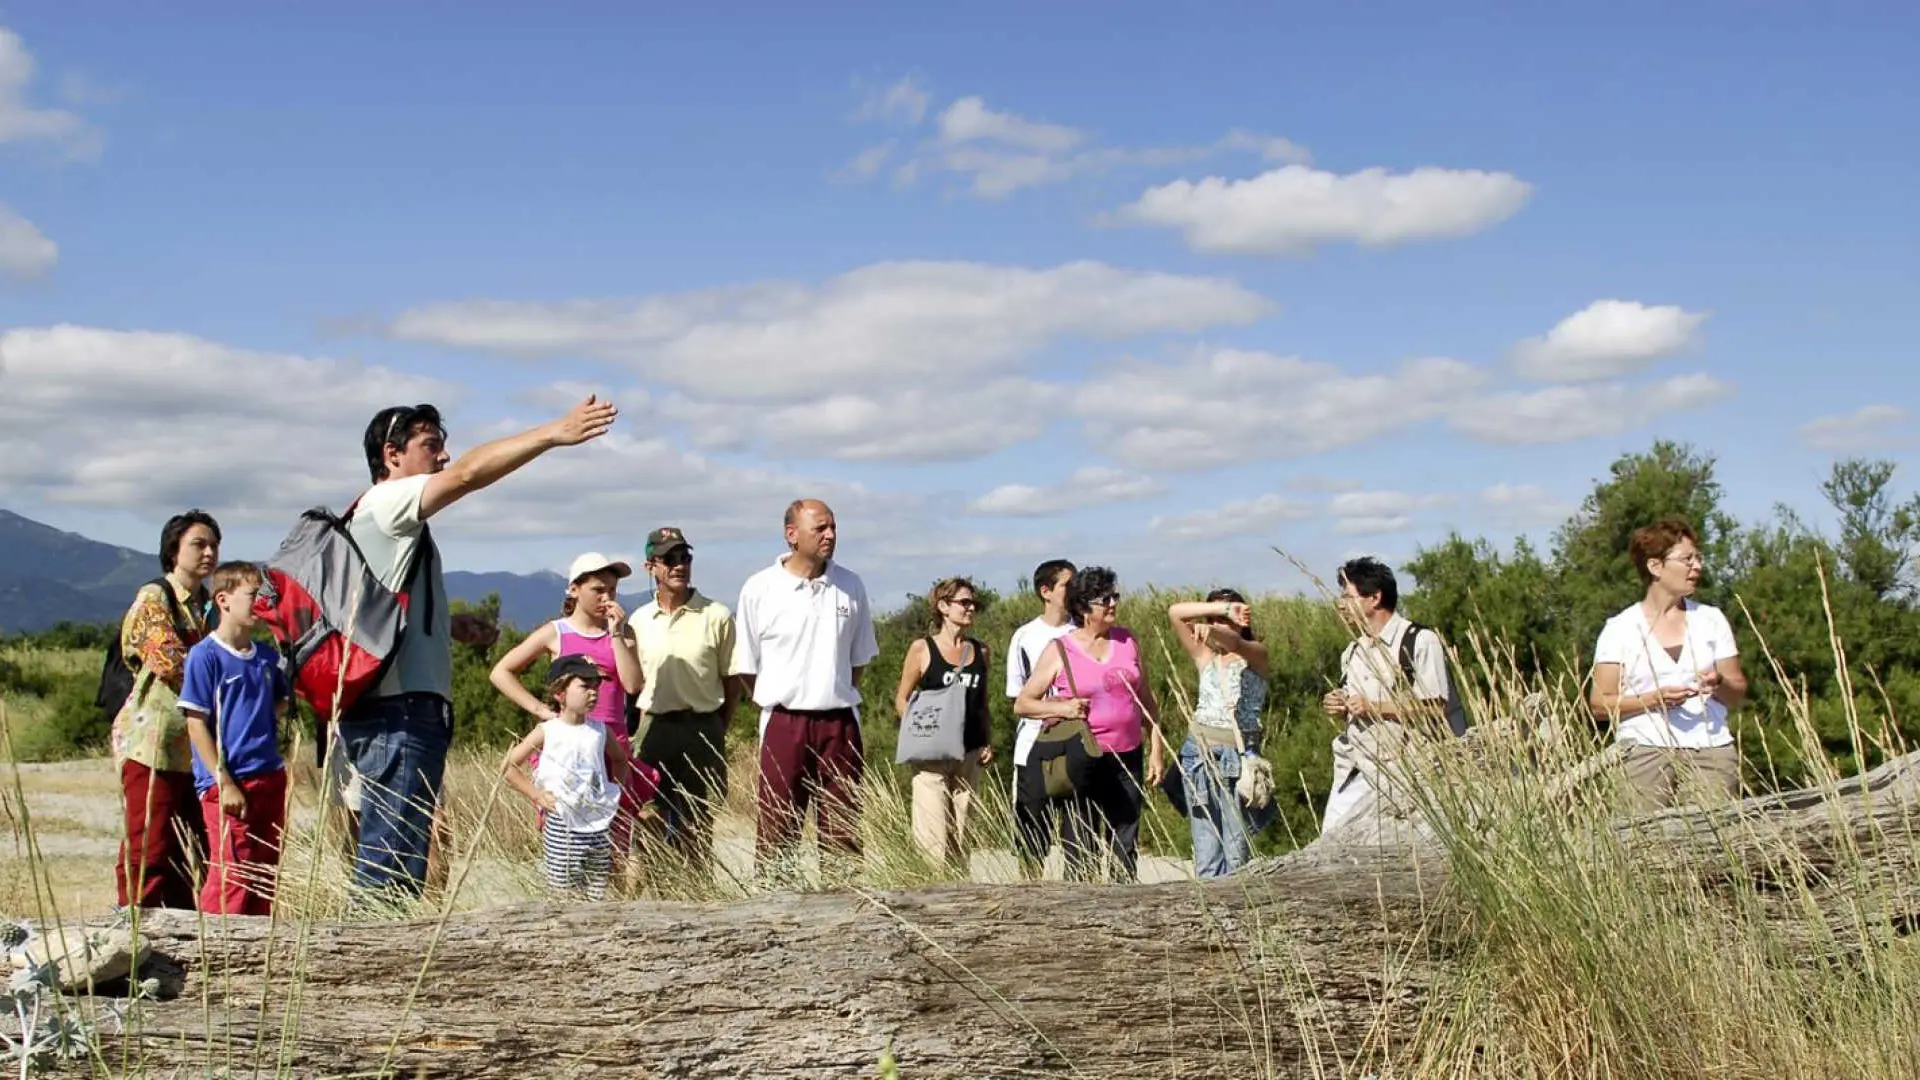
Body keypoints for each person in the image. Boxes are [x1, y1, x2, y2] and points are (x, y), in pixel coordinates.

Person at [341, 395, 617, 901]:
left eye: (443, 446)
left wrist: (446, 626)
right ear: (392, 455)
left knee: (403, 868)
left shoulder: (395, 525)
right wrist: (553, 433)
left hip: (404, 713)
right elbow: (468, 475)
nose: (444, 456)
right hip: (396, 715)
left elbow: (383, 614)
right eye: (431, 445)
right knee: (387, 870)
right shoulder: (386, 503)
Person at [733, 499, 878, 864]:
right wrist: (779, 698)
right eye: (820, 528)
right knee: (778, 825)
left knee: (843, 829)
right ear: (792, 535)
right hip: (784, 720)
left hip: (839, 720)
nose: (830, 535)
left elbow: (858, 660)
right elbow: (746, 665)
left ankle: (844, 896)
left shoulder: (850, 585)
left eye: (833, 527)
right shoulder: (760, 588)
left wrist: (830, 688)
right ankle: (776, 896)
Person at [489, 552, 656, 857]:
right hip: (567, 746)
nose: (607, 597)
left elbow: (633, 685)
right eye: (598, 590)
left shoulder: (622, 632)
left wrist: (617, 634)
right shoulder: (556, 632)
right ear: (575, 590)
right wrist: (540, 710)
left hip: (612, 741)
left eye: (612, 590)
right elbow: (501, 672)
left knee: (618, 842)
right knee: (567, 837)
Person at [1015, 566, 1165, 883]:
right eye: (1104, 599)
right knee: (1081, 840)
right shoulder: (1060, 649)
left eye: (1115, 597)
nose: (1113, 604)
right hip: (1082, 757)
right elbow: (1023, 703)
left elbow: (1147, 702)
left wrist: (1156, 751)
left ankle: (1125, 900)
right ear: (1083, 607)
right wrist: (1064, 708)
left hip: (1128, 754)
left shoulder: (1127, 641)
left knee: (1125, 837)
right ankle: (1080, 904)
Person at [1589, 517, 1749, 811]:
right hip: (1643, 751)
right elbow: (1600, 705)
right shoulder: (1620, 628)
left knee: (1712, 836)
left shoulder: (1711, 619)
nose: (1696, 566)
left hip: (1711, 750)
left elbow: (1737, 693)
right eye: (1687, 559)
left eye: (1698, 558)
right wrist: (1654, 700)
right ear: (1655, 566)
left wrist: (1718, 683)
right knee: (1640, 837)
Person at [111, 510, 220, 910]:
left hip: (195, 749)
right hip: (153, 744)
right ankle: (133, 931)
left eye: (214, 545)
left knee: (191, 853)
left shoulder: (209, 606)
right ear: (173, 551)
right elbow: (171, 661)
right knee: (149, 846)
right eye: (198, 544)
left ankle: (181, 937)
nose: (209, 553)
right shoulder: (154, 598)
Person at [1319, 557, 1465, 839]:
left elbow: (1436, 706)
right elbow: (1353, 705)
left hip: (1408, 772)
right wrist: (1338, 704)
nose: (1341, 605)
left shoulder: (1420, 640)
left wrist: (1373, 707)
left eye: (1348, 597)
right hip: (1355, 770)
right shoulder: (1353, 651)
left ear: (1374, 598)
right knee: (1330, 845)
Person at [179, 562, 290, 916]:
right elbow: (196, 723)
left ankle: (257, 943)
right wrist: (222, 780)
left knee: (264, 873)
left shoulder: (267, 658)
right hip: (228, 782)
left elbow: (281, 702)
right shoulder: (205, 656)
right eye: (253, 594)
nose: (261, 603)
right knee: (234, 873)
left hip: (268, 777)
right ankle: (215, 942)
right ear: (223, 600)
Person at [632, 527, 738, 870]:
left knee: (698, 820)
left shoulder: (717, 615)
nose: (679, 565)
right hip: (654, 727)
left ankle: (697, 889)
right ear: (651, 567)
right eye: (669, 559)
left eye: (684, 558)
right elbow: (633, 682)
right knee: (647, 817)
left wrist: (717, 727)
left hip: (702, 727)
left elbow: (731, 680)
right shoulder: (639, 620)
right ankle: (654, 890)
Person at [502, 655, 633, 901]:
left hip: (598, 823)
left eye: (596, 687)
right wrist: (536, 795)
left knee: (596, 893)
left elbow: (620, 760)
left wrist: (614, 791)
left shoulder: (600, 730)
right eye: (585, 686)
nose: (593, 693)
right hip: (563, 823)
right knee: (563, 895)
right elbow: (509, 767)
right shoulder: (548, 730)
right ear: (559, 694)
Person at [892, 577, 993, 871]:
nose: (971, 608)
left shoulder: (981, 651)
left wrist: (987, 741)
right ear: (943, 606)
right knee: (932, 839)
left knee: (963, 835)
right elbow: (902, 699)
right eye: (964, 602)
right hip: (932, 756)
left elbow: (982, 702)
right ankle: (931, 891)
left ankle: (959, 891)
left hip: (969, 753)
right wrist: (919, 733)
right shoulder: (922, 649)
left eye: (974, 603)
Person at [1168, 589, 1270, 878]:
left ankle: (1237, 903)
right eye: (1213, 618)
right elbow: (1175, 613)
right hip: (1198, 755)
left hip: (1236, 758)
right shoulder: (1206, 657)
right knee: (1206, 851)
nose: (1217, 624)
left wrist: (1213, 627)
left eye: (1226, 618)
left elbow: (1235, 642)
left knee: (1236, 852)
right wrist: (1222, 610)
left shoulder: (1255, 655)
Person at [1005, 559, 1075, 877]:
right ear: (1045, 591)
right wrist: (1055, 709)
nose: (1074, 591)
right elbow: (1017, 697)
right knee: (1031, 837)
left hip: (1076, 745)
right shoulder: (1025, 636)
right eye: (1067, 585)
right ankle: (1030, 894)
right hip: (1033, 745)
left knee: (1078, 834)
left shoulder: (1083, 631)